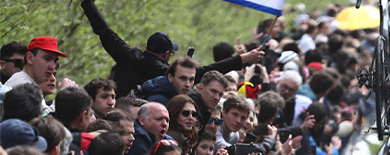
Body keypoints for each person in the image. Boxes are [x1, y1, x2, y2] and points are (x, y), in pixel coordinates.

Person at [80, 0, 263, 96]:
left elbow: (103, 30)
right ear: (167, 55)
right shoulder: (167, 74)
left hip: (116, 108)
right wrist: (243, 59)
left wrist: (87, 3)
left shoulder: (126, 53)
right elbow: (206, 71)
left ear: (147, 47)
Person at [3, 37, 71, 109]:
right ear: (30, 58)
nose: (52, 67)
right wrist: (64, 95)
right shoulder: (25, 86)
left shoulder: (26, 82)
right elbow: (45, 118)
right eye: (47, 59)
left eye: (55, 61)